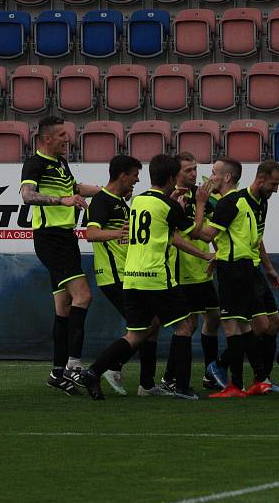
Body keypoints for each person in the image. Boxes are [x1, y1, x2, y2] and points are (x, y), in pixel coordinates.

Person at [80, 154, 207, 400]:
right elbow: (197, 232)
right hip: (156, 276)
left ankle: (95, 372)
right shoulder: (168, 206)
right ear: (172, 178)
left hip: (133, 277)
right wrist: (200, 203)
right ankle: (180, 387)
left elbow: (158, 222)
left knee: (138, 333)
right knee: (186, 325)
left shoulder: (137, 201)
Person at [20, 116, 100, 395]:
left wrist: (106, 193)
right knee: (84, 296)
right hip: (51, 238)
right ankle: (73, 366)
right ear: (47, 139)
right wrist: (62, 200)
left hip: (65, 237)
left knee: (64, 306)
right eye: (62, 135)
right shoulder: (35, 163)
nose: (68, 139)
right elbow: (27, 196)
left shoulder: (61, 163)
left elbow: (75, 189)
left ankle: (57, 372)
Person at [85, 155, 166, 396]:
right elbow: (90, 234)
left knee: (152, 324)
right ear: (122, 175)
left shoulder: (120, 202)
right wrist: (115, 233)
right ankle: (102, 369)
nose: (137, 180)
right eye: (134, 175)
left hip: (128, 273)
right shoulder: (101, 201)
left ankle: (146, 385)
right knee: (142, 328)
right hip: (113, 275)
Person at [194, 158, 270, 398]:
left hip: (233, 269)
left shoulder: (228, 202)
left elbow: (204, 234)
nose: (210, 177)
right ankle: (254, 380)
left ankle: (228, 377)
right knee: (244, 326)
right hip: (245, 267)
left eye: (214, 173)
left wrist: (199, 204)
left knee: (230, 326)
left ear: (227, 178)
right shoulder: (244, 202)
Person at [160, 152, 222, 392]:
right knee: (189, 324)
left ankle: (209, 374)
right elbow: (176, 235)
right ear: (176, 174)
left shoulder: (202, 195)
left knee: (213, 318)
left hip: (202, 269)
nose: (194, 174)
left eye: (196, 169)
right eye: (188, 170)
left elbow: (215, 228)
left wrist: (217, 255)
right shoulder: (169, 199)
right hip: (181, 269)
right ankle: (170, 378)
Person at [241, 160, 279, 393]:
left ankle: (264, 378)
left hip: (256, 269)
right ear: (261, 179)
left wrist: (269, 268)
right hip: (241, 270)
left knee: (275, 324)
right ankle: (223, 366)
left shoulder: (262, 203)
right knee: (259, 326)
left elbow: (257, 238)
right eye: (274, 184)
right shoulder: (240, 202)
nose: (276, 189)